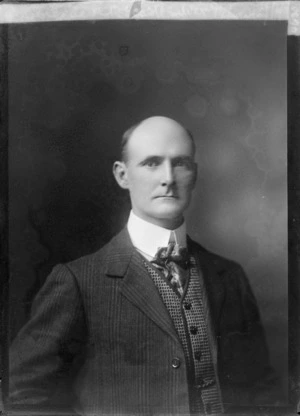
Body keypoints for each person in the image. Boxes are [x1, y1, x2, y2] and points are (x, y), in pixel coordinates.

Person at [9, 116, 275, 416]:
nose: (168, 178)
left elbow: (261, 389)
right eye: (151, 163)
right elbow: (21, 396)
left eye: (181, 163)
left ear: (195, 174)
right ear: (122, 175)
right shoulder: (78, 282)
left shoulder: (228, 275)